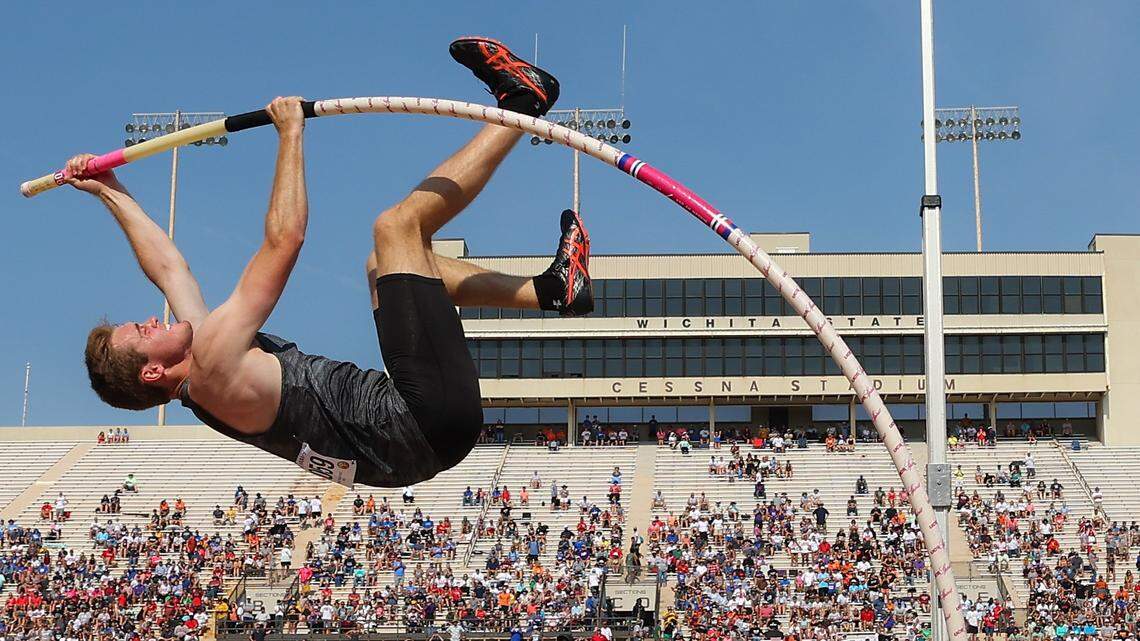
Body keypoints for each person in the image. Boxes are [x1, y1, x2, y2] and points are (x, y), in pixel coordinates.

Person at [69, 38, 590, 488]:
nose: (153, 318)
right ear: (154, 370)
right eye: (142, 330)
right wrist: (291, 134)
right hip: (421, 420)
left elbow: (168, 268)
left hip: (417, 439)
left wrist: (107, 191)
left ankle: (551, 290)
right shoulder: (214, 364)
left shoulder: (206, 376)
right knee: (398, 228)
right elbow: (284, 241)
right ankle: (524, 101)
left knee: (381, 264)